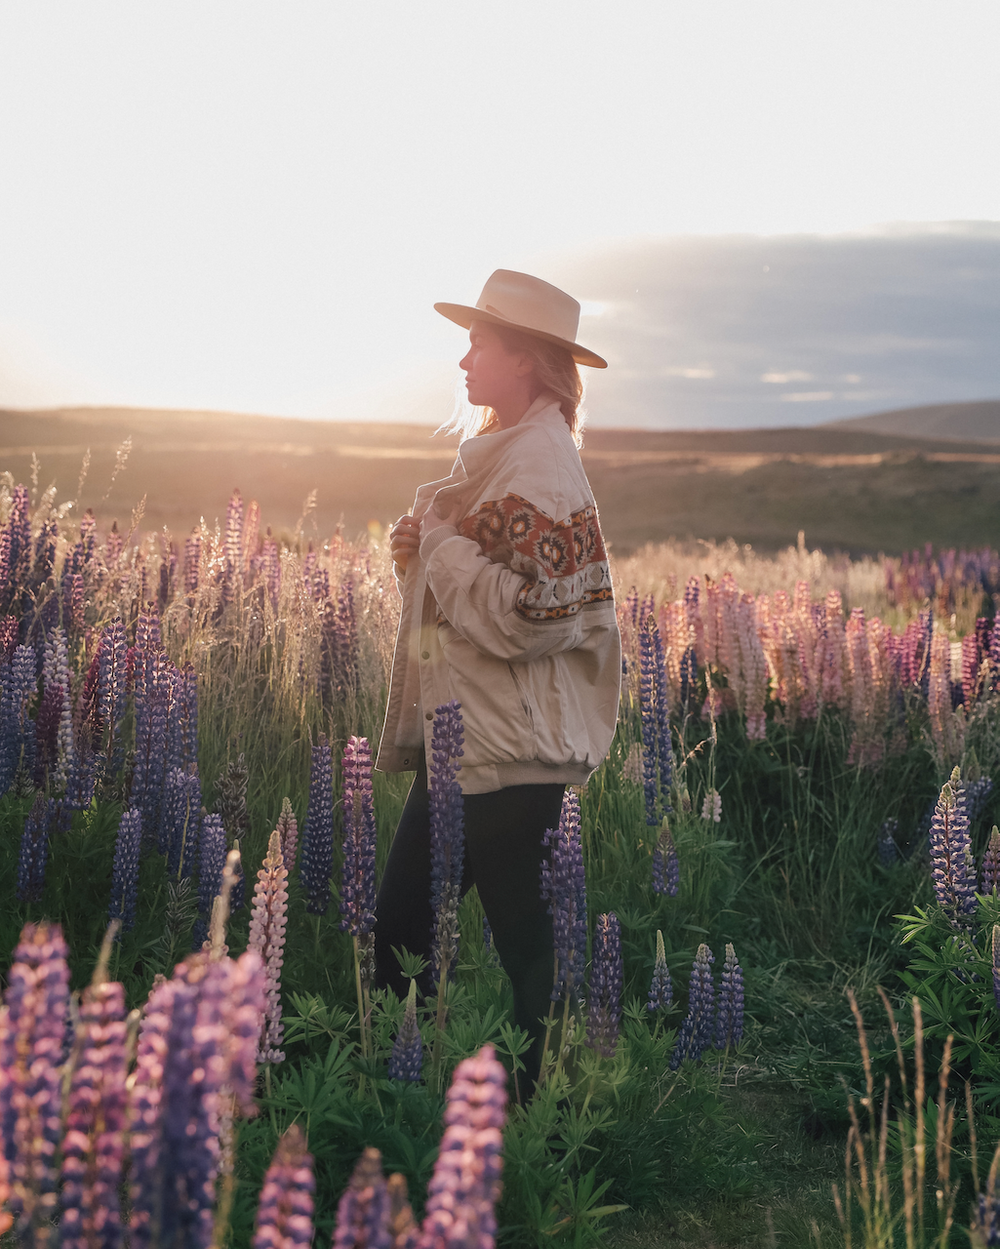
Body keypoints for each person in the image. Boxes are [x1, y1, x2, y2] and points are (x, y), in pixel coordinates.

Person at [374, 269, 621, 1091]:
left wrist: (441, 546)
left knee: (514, 955)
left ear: (526, 360)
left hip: (508, 750)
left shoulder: (541, 464)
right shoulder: (511, 452)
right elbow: (478, 585)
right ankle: (402, 1102)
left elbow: (535, 617)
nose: (465, 358)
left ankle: (525, 1136)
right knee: (408, 935)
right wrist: (428, 550)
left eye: (481, 341)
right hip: (473, 738)